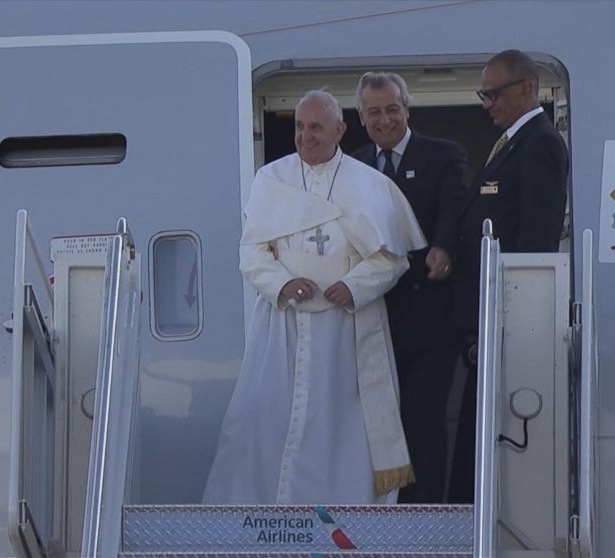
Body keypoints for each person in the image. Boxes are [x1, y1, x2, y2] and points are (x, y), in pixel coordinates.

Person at [203, 90, 427, 504]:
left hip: (347, 331)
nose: (305, 136)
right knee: (264, 418)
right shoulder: (271, 179)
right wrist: (282, 283)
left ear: (339, 130)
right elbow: (251, 252)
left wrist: (355, 285)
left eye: (316, 127)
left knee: (341, 427)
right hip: (283, 325)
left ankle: (346, 519)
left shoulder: (370, 184)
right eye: (299, 127)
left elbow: (392, 259)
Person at [448, 50, 569, 503]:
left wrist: (507, 318)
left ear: (525, 88)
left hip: (506, 319)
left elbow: (536, 238)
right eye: (484, 94)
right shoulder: (513, 143)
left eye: (493, 93)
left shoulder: (539, 143)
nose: (487, 103)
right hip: (487, 317)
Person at [351, 71, 467, 503]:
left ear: (407, 108)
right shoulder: (352, 165)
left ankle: (426, 516)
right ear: (362, 118)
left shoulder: (442, 155)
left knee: (422, 423)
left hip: (429, 323)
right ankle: (380, 514)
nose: (385, 120)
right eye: (375, 112)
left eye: (392, 109)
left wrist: (442, 248)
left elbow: (456, 212)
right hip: (371, 322)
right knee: (376, 424)